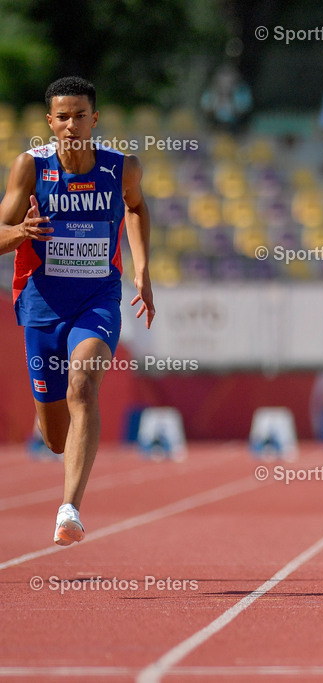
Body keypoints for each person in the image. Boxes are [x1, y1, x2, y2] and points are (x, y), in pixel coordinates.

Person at [0, 76, 155, 545]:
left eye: (80, 116)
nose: (71, 125)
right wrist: (23, 233)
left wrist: (143, 268)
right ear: (50, 122)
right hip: (42, 305)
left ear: (95, 119)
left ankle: (69, 511)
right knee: (54, 437)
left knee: (84, 384)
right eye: (62, 117)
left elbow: (137, 208)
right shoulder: (30, 167)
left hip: (97, 301)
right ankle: (52, 422)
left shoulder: (120, 168)